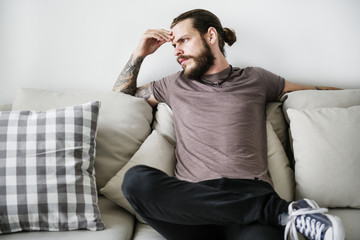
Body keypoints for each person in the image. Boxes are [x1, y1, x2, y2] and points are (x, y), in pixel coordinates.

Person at [113, 9, 345, 240]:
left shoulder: (257, 78)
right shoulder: (172, 84)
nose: (177, 51)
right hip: (194, 204)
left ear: (211, 36)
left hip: (249, 191)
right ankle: (279, 211)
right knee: (136, 181)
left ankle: (271, 211)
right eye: (174, 45)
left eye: (183, 40)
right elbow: (118, 101)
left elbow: (318, 93)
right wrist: (139, 55)